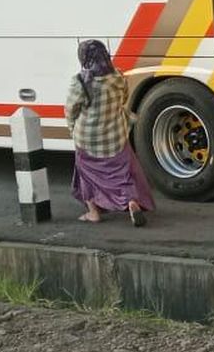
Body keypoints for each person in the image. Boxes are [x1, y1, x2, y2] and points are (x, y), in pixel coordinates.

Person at [65, 40, 155, 227]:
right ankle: (131, 202)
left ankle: (93, 212)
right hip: (116, 136)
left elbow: (71, 109)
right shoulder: (118, 76)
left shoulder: (80, 82)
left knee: (87, 174)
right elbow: (124, 98)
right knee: (122, 174)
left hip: (88, 139)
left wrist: (71, 129)